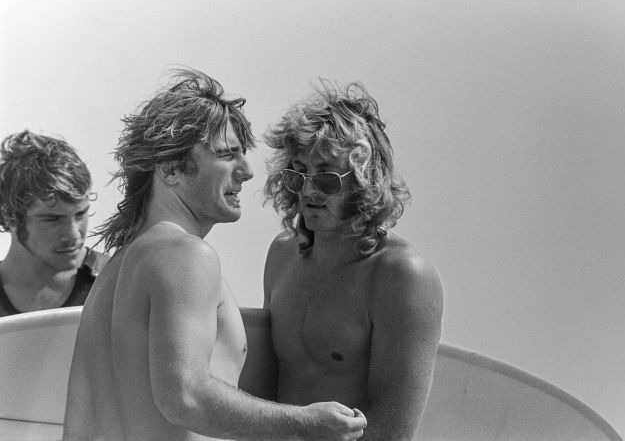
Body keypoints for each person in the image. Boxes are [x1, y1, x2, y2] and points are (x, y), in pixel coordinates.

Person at [63, 68, 366, 441]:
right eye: (227, 155)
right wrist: (305, 423)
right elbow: (184, 398)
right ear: (171, 168)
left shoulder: (115, 270)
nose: (248, 172)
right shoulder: (186, 255)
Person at [263, 80, 444, 440]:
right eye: (298, 173)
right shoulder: (283, 253)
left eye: (327, 177)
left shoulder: (402, 275)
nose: (309, 190)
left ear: (365, 180)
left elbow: (392, 430)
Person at [0, 131, 108, 317]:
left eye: (81, 213)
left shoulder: (119, 281)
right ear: (9, 217)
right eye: (53, 219)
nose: (73, 235)